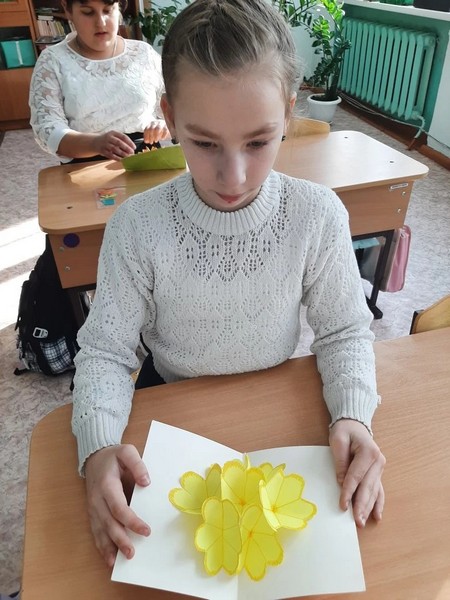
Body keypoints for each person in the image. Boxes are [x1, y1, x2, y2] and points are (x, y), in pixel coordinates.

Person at [72, 0, 386, 569]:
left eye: (258, 142)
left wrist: (352, 414)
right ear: (169, 116)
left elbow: (344, 331)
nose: (233, 177)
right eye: (205, 143)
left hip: (280, 408)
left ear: (287, 113)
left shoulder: (316, 215)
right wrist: (97, 448)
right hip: (172, 407)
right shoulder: (137, 226)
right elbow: (106, 352)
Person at [29, 0, 169, 163]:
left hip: (148, 158)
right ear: (68, 9)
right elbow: (47, 130)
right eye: (88, 12)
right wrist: (95, 144)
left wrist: (164, 125)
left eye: (108, 10)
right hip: (85, 162)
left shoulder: (143, 53)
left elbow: (174, 108)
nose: (101, 23)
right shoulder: (52, 61)